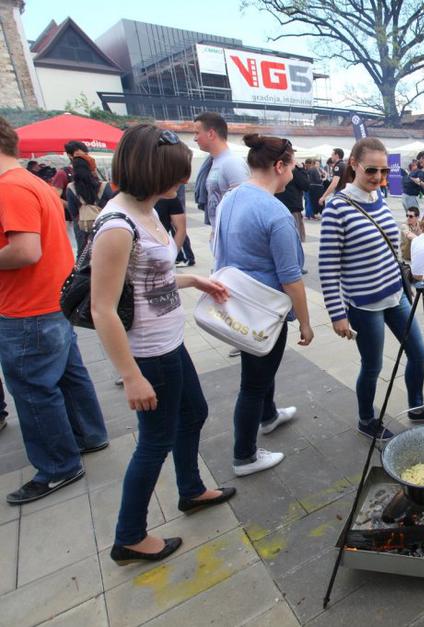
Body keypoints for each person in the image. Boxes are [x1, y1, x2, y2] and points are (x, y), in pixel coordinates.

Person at [88, 124, 235, 564]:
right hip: (149, 354)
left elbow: (149, 278)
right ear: (151, 170)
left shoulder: (148, 210)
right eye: (176, 173)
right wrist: (131, 376)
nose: (183, 181)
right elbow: (102, 309)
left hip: (170, 343)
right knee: (155, 441)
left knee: (194, 412)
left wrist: (192, 280)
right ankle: (129, 536)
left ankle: (191, 489)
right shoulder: (117, 225)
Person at [0, 117, 109, 506]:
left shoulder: (10, 187)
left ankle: (58, 466)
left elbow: (26, 250)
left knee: (33, 389)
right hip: (51, 301)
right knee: (67, 375)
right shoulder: (32, 183)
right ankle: (88, 435)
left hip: (28, 307)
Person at [318, 137, 424, 442]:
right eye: (371, 170)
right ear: (354, 165)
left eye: (384, 171)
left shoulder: (378, 197)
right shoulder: (337, 207)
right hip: (364, 304)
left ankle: (417, 406)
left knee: (418, 352)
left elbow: (389, 246)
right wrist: (337, 315)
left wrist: (407, 279)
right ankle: (366, 419)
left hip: (395, 294)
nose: (378, 177)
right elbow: (327, 266)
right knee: (372, 366)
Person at [215, 134, 313, 477]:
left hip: (238, 303)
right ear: (279, 166)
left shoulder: (231, 197)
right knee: (253, 383)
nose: (294, 172)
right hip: (264, 310)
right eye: (293, 165)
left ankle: (268, 416)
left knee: (259, 370)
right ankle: (244, 456)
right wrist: (305, 322)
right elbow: (291, 278)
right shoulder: (276, 213)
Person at [192, 113, 249, 234]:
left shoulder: (232, 163)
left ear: (211, 134)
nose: (194, 138)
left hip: (232, 237)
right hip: (220, 236)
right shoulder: (214, 162)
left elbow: (244, 205)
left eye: (197, 133)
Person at [66, 156, 113, 256]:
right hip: (105, 226)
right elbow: (113, 205)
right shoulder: (104, 186)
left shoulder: (71, 188)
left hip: (82, 227)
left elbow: (73, 212)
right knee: (106, 253)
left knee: (83, 255)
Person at [154, 184, 191, 267]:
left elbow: (181, 229)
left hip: (162, 254)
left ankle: (186, 257)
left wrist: (171, 255)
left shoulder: (169, 195)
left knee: (175, 229)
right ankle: (182, 257)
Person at [275, 162, 310, 248]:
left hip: (278, 205)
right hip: (292, 206)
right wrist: (302, 170)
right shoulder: (294, 169)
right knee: (294, 240)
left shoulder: (274, 165)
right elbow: (305, 185)